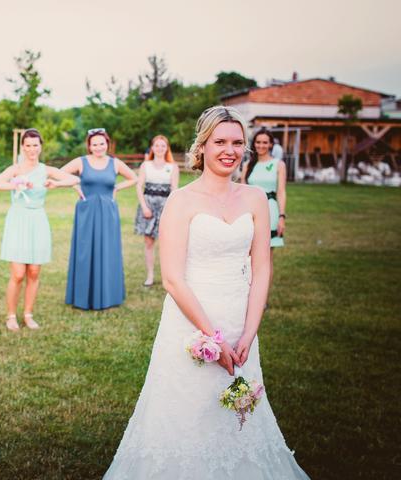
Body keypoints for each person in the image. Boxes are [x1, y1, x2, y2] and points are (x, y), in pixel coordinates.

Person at [103, 106, 308, 479]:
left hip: (240, 321)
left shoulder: (255, 198)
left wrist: (249, 332)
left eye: (237, 143)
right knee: (187, 408)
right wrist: (213, 338)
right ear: (202, 146)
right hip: (191, 320)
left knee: (237, 412)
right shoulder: (182, 200)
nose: (230, 151)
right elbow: (172, 279)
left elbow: (262, 267)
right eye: (220, 142)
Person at [0, 128, 80, 331]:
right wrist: (16, 184)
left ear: (40, 147)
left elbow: (75, 179)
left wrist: (56, 184)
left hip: (38, 219)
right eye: (28, 145)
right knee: (18, 274)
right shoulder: (16, 169)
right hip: (18, 219)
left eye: (35, 145)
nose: (32, 149)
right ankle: (11, 315)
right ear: (23, 147)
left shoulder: (46, 169)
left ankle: (28, 314)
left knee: (34, 272)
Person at [61, 128, 137, 310]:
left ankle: (107, 296)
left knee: (107, 250)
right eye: (94, 144)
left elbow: (134, 178)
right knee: (84, 251)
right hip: (86, 211)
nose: (98, 147)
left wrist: (117, 188)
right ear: (89, 146)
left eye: (101, 143)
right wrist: (76, 185)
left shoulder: (114, 163)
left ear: (107, 144)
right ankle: (83, 297)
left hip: (108, 212)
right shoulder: (81, 161)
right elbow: (60, 173)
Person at [241, 128, 287, 291]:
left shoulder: (278, 164)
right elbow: (242, 192)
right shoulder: (247, 165)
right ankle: (247, 292)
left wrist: (282, 216)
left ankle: (262, 297)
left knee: (265, 258)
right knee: (247, 256)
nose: (261, 145)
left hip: (270, 211)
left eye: (265, 142)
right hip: (250, 213)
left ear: (271, 144)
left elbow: (281, 191)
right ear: (254, 144)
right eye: (258, 142)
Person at [134, 134, 180, 286]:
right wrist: (144, 207)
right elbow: (139, 186)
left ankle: (168, 276)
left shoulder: (172, 167)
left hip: (165, 206)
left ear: (167, 148)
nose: (160, 148)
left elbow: (174, 189)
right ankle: (150, 276)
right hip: (148, 206)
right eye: (157, 145)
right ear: (152, 148)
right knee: (148, 242)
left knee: (166, 243)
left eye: (163, 146)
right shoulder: (145, 165)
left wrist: (171, 210)